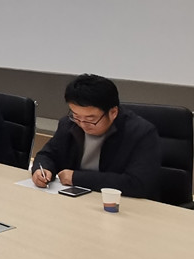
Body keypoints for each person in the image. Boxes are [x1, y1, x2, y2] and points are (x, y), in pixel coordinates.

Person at [31, 74, 161, 199]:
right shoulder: (69, 124)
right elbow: (47, 155)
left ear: (113, 112)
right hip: (75, 199)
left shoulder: (141, 133)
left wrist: (76, 178)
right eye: (76, 116)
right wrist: (42, 169)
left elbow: (138, 184)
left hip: (119, 204)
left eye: (90, 119)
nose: (82, 124)